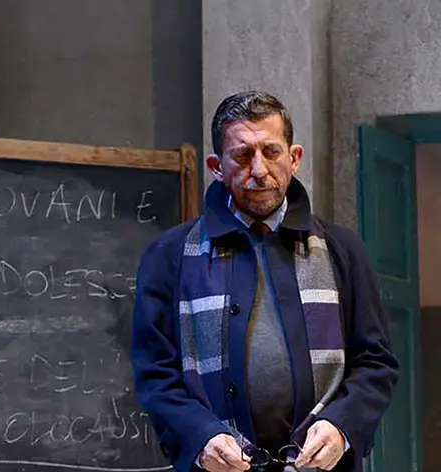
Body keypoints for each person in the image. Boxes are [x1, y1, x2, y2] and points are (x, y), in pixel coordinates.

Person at [130, 91, 399, 472]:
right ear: (216, 166)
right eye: (242, 155)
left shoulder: (342, 249)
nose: (259, 170)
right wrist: (200, 435)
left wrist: (341, 426)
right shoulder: (169, 256)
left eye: (271, 152)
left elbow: (375, 363)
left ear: (294, 158)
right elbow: (155, 372)